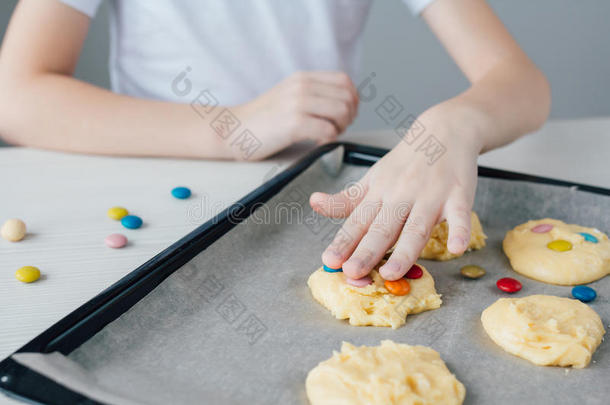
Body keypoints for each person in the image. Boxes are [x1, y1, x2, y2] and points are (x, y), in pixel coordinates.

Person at [0, 0, 550, 281]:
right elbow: (14, 96)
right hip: (152, 194)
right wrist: (230, 127)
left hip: (308, 194)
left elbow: (523, 85)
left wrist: (452, 124)